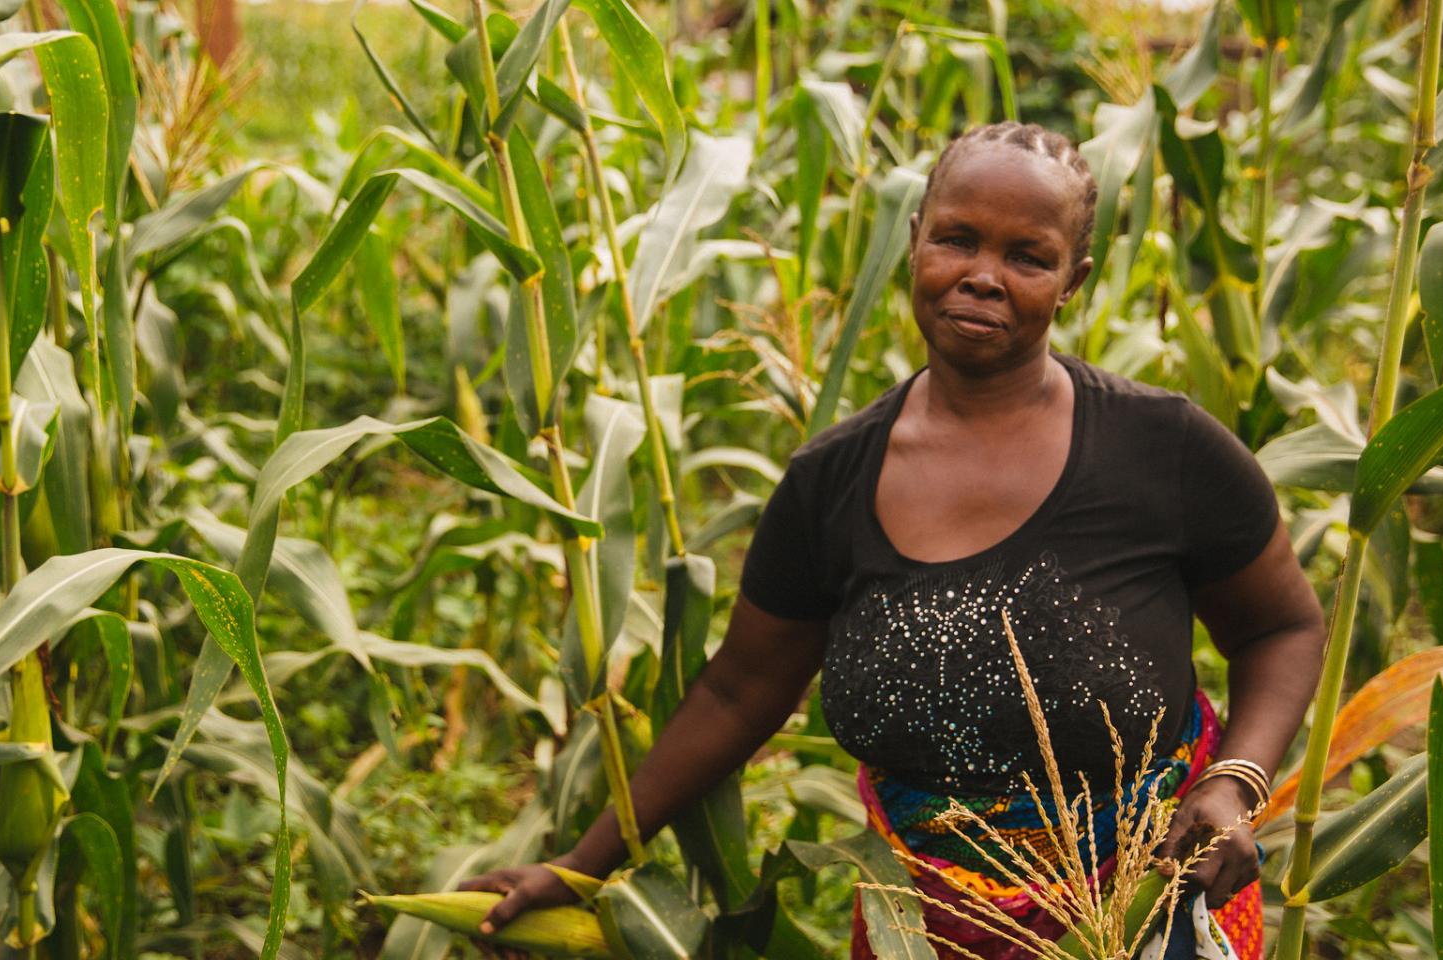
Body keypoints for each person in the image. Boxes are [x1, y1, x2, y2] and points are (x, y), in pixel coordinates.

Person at [461, 121, 1326, 959]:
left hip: (1145, 905)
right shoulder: (832, 481)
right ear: (914, 242)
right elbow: (738, 694)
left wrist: (1234, 783)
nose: (983, 276)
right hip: (924, 923)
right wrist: (581, 866)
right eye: (957, 239)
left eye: (1027, 256)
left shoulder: (1163, 449)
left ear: (1074, 280)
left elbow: (1281, 628)